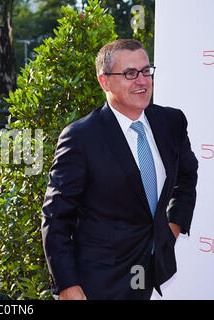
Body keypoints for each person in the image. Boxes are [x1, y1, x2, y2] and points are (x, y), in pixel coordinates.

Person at [41, 39, 198, 300]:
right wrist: (67, 284)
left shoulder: (171, 122)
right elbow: (56, 216)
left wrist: (171, 227)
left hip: (149, 269)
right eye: (130, 74)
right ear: (104, 81)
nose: (142, 81)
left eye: (146, 71)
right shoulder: (81, 137)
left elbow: (186, 177)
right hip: (98, 281)